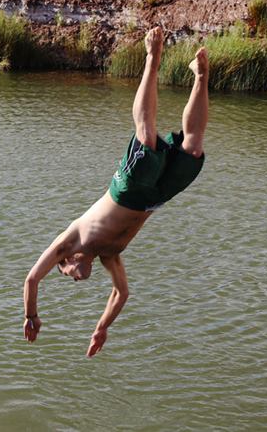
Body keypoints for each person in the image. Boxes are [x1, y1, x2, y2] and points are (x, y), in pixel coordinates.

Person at [22, 27, 210, 357]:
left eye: (65, 275)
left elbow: (31, 280)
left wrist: (31, 315)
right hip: (155, 199)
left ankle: (152, 57)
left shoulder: (68, 241)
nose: (76, 280)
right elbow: (121, 294)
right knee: (192, 149)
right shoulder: (109, 256)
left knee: (147, 138)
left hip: (126, 189)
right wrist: (102, 328)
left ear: (64, 262)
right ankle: (201, 76)